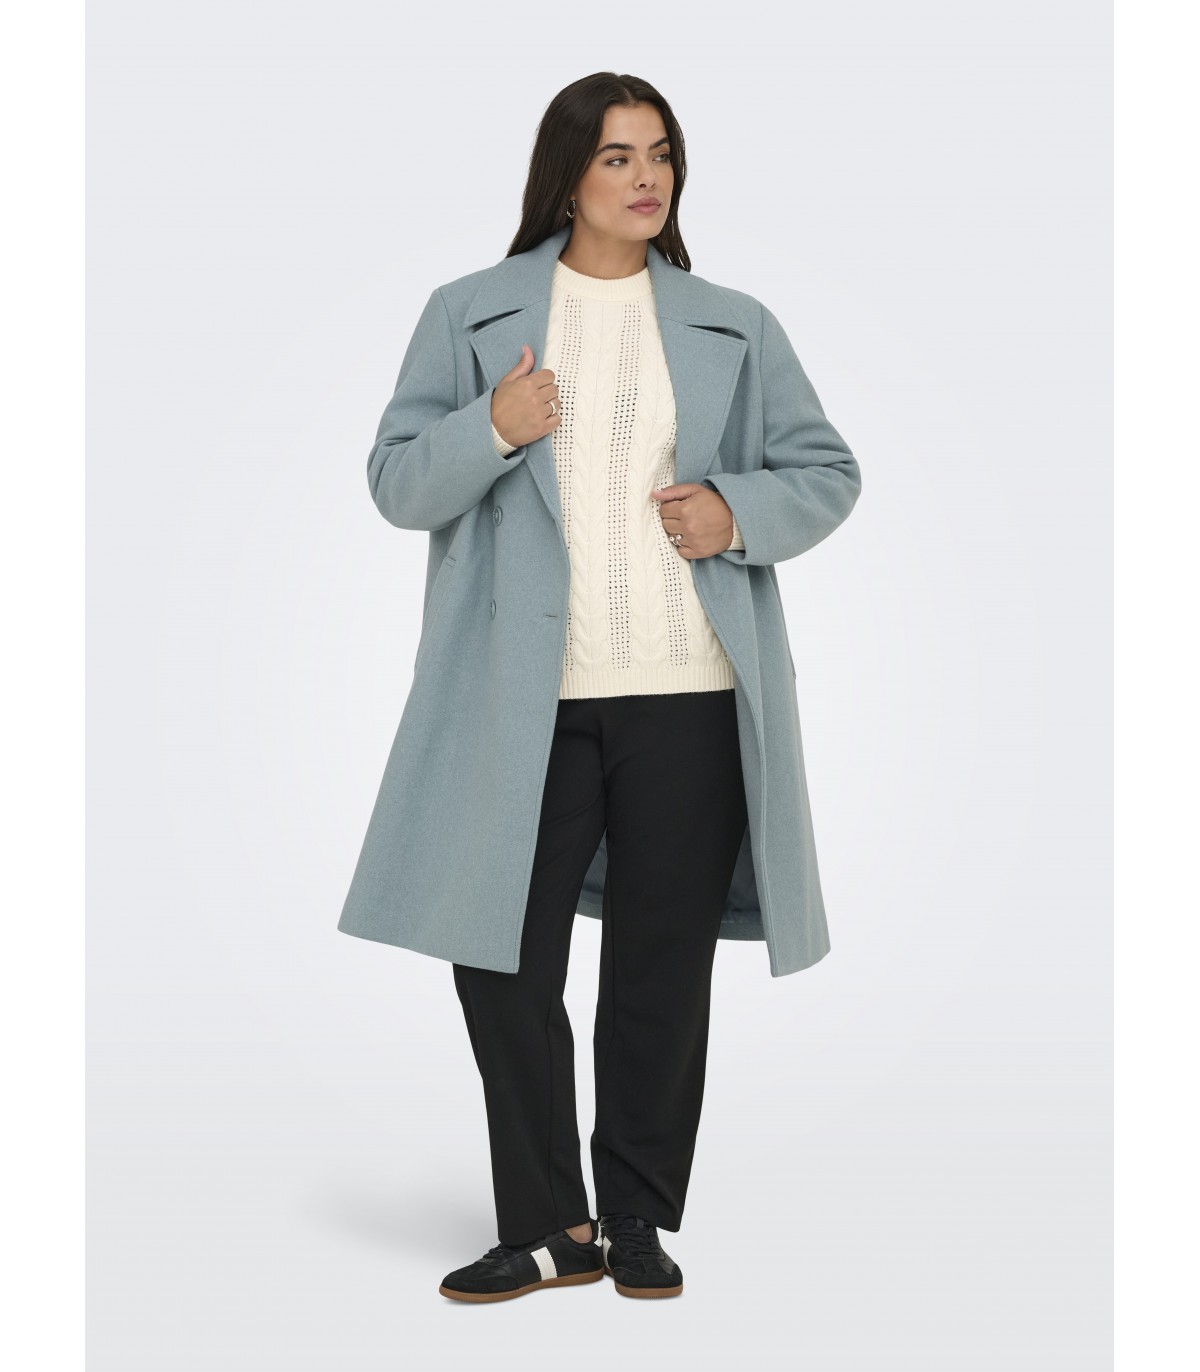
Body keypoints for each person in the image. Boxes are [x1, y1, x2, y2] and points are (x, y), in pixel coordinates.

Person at [337, 72, 862, 1303]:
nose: (646, 177)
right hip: (522, 701)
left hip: (689, 691)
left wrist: (735, 509)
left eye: (661, 154)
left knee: (660, 966)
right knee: (499, 959)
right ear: (567, 175)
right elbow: (398, 482)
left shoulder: (735, 323)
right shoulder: (470, 313)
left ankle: (632, 1214)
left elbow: (827, 472)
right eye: (619, 155)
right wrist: (494, 425)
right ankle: (546, 1224)